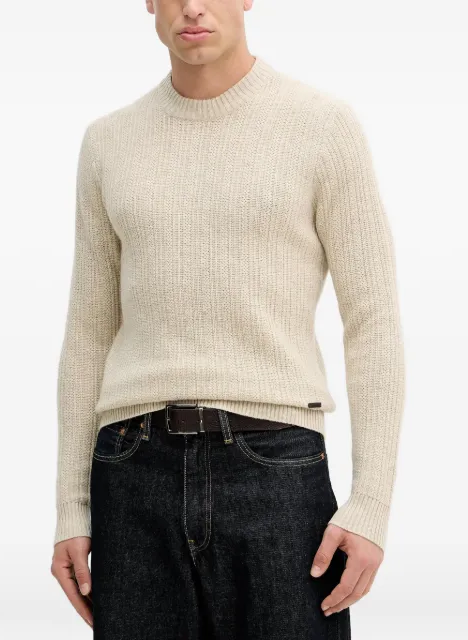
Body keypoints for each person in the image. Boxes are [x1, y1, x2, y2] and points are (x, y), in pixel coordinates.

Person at [50, 1, 405, 638]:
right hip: (132, 470)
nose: (193, 7)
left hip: (277, 465)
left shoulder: (321, 126)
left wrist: (372, 503)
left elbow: (372, 317)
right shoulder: (108, 142)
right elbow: (89, 330)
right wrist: (71, 508)